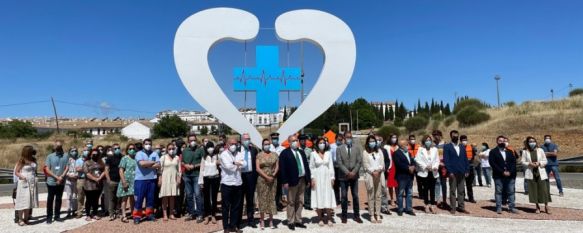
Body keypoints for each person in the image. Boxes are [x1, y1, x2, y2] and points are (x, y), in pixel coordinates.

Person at [279, 135, 311, 231]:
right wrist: (284, 181)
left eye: (296, 140)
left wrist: (308, 179)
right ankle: (291, 221)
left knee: (300, 201)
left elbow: (306, 166)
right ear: (289, 142)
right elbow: (282, 169)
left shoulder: (301, 152)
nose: (295, 142)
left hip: (302, 179)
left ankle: (298, 220)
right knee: (291, 202)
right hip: (291, 181)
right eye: (293, 141)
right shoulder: (285, 153)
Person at [335, 132, 363, 224]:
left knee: (355, 196)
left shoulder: (357, 148)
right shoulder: (339, 149)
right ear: (344, 138)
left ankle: (356, 215)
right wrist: (347, 172)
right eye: (347, 137)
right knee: (343, 196)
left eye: (350, 137)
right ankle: (344, 216)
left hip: (354, 176)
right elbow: (339, 162)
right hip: (343, 176)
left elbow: (359, 161)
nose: (349, 139)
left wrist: (354, 172)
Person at [220, 138, 245, 233]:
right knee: (226, 207)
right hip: (227, 183)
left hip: (238, 183)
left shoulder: (239, 154)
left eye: (235, 143)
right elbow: (228, 166)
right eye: (231, 143)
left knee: (236, 206)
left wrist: (235, 163)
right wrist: (237, 164)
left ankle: (233, 225)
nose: (234, 145)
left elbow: (245, 164)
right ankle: (226, 227)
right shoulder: (223, 154)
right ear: (227, 144)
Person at [309, 138, 336, 227]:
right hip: (317, 177)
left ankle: (329, 218)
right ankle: (320, 218)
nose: (322, 144)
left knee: (328, 196)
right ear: (317, 144)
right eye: (320, 143)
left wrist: (332, 177)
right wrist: (312, 178)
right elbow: (311, 167)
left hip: (327, 177)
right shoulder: (313, 154)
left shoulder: (328, 153)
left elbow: (331, 165)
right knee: (318, 196)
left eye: (323, 143)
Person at [133, 138, 161, 224]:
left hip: (152, 179)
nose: (148, 145)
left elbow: (158, 165)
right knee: (139, 198)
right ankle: (137, 216)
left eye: (149, 144)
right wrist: (152, 163)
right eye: (146, 144)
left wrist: (147, 165)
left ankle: (149, 214)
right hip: (140, 180)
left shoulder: (155, 153)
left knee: (150, 198)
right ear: (143, 144)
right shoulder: (139, 153)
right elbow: (142, 164)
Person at [522, 136, 552, 214]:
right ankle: (537, 207)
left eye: (533, 141)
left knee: (544, 189)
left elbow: (545, 161)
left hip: (540, 171)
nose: (532, 143)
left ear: (536, 142)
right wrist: (529, 163)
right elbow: (522, 162)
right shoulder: (525, 151)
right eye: (530, 141)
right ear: (528, 143)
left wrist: (539, 163)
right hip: (531, 172)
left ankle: (546, 206)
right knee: (534, 190)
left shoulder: (540, 150)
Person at [489, 135, 518, 214]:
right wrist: (502, 172)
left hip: (510, 175)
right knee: (499, 192)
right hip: (498, 175)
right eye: (500, 141)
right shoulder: (493, 152)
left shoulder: (509, 151)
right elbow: (493, 164)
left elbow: (514, 163)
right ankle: (499, 207)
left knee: (511, 192)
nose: (502, 142)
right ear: (497, 142)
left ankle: (512, 207)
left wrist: (510, 172)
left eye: (503, 141)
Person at [444, 130, 470, 215]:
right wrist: (450, 171)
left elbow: (465, 159)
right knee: (452, 190)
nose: (455, 136)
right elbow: (446, 160)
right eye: (453, 135)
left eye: (456, 135)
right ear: (451, 136)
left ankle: (461, 207)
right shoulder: (447, 146)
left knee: (461, 190)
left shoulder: (462, 146)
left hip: (461, 171)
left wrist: (467, 169)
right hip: (453, 172)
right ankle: (453, 208)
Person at [256, 139, 279, 230]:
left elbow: (277, 166)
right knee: (262, 198)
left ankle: (270, 220)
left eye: (268, 144)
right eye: (265, 144)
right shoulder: (259, 155)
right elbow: (257, 168)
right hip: (262, 179)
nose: (267, 145)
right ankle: (261, 220)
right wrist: (266, 177)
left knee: (271, 198)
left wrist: (272, 175)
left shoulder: (274, 154)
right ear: (262, 145)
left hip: (273, 179)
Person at [45, 140, 69, 224]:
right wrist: (56, 177)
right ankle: (49, 217)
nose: (58, 148)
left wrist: (61, 177)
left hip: (61, 181)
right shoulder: (50, 156)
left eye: (60, 146)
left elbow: (67, 167)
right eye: (57, 146)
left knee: (58, 199)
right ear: (54, 147)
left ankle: (57, 216)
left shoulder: (65, 156)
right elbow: (47, 169)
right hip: (51, 181)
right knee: (50, 199)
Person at [182, 134, 205, 222]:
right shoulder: (185, 150)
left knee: (198, 195)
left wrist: (194, 166)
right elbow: (182, 161)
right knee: (189, 195)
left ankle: (200, 214)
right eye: (191, 140)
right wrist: (185, 165)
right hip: (187, 175)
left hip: (196, 175)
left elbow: (204, 162)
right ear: (188, 141)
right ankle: (191, 213)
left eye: (194, 140)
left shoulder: (200, 150)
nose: (193, 142)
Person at [14, 145, 39, 226]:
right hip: (24, 182)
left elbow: (35, 169)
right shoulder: (22, 160)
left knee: (29, 201)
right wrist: (22, 177)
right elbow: (16, 172)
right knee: (22, 201)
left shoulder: (33, 159)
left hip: (32, 181)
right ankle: (20, 219)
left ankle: (26, 218)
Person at [362, 136, 384, 223]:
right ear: (367, 143)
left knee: (378, 195)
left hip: (379, 175)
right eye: (370, 141)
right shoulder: (365, 152)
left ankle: (378, 214)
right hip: (370, 176)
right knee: (371, 195)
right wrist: (372, 172)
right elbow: (365, 165)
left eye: (373, 141)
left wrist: (378, 170)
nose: (372, 143)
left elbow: (382, 163)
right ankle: (371, 214)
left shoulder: (379, 151)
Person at [239, 133, 259, 228]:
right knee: (239, 199)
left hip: (251, 176)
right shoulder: (238, 150)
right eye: (246, 139)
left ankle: (250, 220)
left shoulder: (254, 150)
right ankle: (238, 221)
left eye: (249, 139)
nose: (248, 140)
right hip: (240, 176)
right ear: (242, 140)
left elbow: (256, 164)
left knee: (250, 199)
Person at [416, 135, 439, 214]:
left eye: (429, 140)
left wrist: (435, 166)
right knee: (425, 189)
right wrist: (425, 166)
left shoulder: (435, 149)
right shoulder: (420, 149)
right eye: (426, 140)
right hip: (424, 172)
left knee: (432, 189)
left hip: (433, 171)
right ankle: (426, 204)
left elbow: (437, 160)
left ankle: (432, 205)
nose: (428, 142)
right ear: (424, 142)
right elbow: (417, 160)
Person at [199, 142, 221, 225]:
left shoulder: (217, 156)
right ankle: (207, 216)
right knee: (206, 198)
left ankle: (213, 215)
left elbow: (222, 166)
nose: (210, 148)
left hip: (215, 178)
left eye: (211, 147)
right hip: (206, 179)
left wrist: (219, 163)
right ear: (206, 148)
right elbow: (201, 170)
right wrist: (201, 182)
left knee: (214, 197)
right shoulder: (204, 157)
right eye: (208, 147)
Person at [159, 143, 182, 221]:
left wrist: (179, 177)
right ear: (166, 149)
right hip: (165, 178)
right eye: (169, 149)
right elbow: (160, 169)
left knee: (172, 196)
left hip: (174, 179)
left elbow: (179, 169)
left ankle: (171, 214)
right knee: (165, 196)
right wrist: (160, 178)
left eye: (172, 148)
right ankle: (165, 214)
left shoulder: (177, 157)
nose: (171, 150)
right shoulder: (163, 157)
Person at [394, 139, 416, 216]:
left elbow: (413, 161)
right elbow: (398, 164)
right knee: (400, 193)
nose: (408, 146)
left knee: (409, 193)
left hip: (410, 176)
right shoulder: (396, 153)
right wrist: (408, 168)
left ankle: (409, 209)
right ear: (402, 146)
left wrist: (413, 166)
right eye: (406, 144)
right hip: (402, 176)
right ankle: (400, 209)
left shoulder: (409, 153)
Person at [83, 149, 105, 221]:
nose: (95, 155)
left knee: (96, 200)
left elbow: (104, 171)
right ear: (90, 154)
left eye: (96, 154)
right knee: (89, 200)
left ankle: (95, 213)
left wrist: (100, 178)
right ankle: (88, 214)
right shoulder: (87, 162)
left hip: (98, 184)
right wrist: (95, 179)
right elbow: (87, 173)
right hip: (89, 184)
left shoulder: (101, 162)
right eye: (93, 154)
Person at [117, 144, 137, 223]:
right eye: (130, 148)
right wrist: (123, 181)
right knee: (124, 198)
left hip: (134, 181)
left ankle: (133, 213)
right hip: (126, 180)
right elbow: (121, 170)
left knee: (133, 198)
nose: (132, 150)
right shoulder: (124, 158)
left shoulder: (136, 158)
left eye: (133, 148)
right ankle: (124, 215)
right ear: (127, 150)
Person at [105, 144, 123, 220]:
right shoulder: (109, 158)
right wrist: (108, 180)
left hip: (121, 181)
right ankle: (111, 214)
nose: (117, 149)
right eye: (115, 148)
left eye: (118, 148)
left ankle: (118, 212)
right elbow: (106, 170)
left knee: (120, 198)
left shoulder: (123, 157)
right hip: (112, 181)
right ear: (112, 150)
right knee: (112, 198)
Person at [432, 130, 448, 209]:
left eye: (437, 134)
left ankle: (444, 200)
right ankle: (438, 200)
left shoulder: (445, 144)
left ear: (440, 135)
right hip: (435, 166)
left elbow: (447, 155)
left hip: (444, 166)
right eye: (434, 135)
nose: (436, 136)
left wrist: (445, 164)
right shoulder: (432, 144)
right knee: (437, 182)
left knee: (444, 183)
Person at [460, 135, 476, 203]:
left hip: (470, 167)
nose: (464, 141)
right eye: (463, 140)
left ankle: (471, 198)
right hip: (461, 168)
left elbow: (474, 155)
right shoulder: (458, 147)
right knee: (461, 184)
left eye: (465, 140)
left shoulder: (471, 147)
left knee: (469, 184)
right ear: (460, 141)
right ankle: (462, 197)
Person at [299, 134, 314, 211]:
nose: (303, 141)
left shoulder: (309, 150)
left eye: (304, 140)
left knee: (308, 187)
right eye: (302, 140)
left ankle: (308, 203)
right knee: (300, 188)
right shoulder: (297, 150)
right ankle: (300, 203)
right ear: (299, 141)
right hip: (300, 171)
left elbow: (311, 162)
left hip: (308, 171)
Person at [384, 134, 399, 208]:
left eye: (395, 137)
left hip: (398, 167)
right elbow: (385, 158)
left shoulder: (398, 147)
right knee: (390, 184)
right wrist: (386, 167)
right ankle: (392, 199)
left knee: (397, 184)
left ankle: (398, 199)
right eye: (393, 137)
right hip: (391, 166)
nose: (394, 139)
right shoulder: (386, 147)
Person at [64, 147, 79, 218]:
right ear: (70, 152)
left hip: (76, 180)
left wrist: (76, 176)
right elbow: (65, 169)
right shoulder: (67, 160)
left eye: (75, 151)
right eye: (72, 151)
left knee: (75, 196)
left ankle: (74, 210)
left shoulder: (79, 160)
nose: (74, 152)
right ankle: (68, 211)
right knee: (69, 196)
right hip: (68, 180)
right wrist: (68, 175)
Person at [75, 147, 89, 218]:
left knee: (89, 196)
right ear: (82, 152)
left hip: (89, 180)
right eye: (85, 150)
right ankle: (79, 212)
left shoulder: (90, 160)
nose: (86, 151)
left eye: (87, 150)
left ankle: (88, 211)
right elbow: (77, 169)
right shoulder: (78, 160)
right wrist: (86, 168)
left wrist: (83, 168)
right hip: (81, 179)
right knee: (80, 196)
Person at [331, 134, 344, 205]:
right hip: (335, 167)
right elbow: (331, 157)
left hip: (342, 168)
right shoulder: (332, 146)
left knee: (342, 184)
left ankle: (343, 199)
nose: (340, 141)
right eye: (338, 140)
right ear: (335, 139)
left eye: (341, 140)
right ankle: (337, 199)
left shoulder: (343, 146)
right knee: (336, 185)